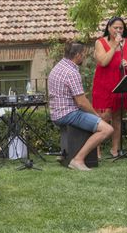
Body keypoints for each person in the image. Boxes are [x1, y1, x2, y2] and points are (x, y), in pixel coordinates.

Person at [48, 41, 114, 171]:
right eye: (83, 54)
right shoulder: (72, 72)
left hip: (56, 114)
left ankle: (66, 153)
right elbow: (81, 102)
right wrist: (96, 115)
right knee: (107, 129)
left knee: (92, 120)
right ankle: (78, 159)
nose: (83, 56)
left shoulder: (57, 67)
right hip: (68, 114)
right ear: (77, 55)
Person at [92, 16, 127, 157]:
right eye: (115, 28)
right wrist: (114, 46)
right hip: (104, 84)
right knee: (103, 116)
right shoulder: (100, 42)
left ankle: (115, 149)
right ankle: (96, 149)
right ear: (109, 28)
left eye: (121, 28)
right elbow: (103, 62)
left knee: (117, 117)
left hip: (122, 82)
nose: (118, 30)